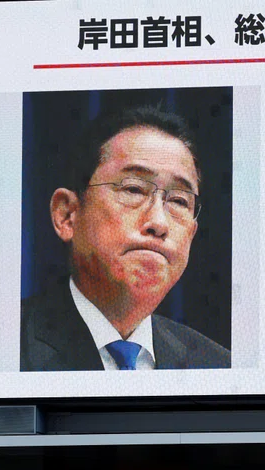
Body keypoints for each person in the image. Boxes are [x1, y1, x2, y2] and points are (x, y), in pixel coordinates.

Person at [20, 104, 231, 372]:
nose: (158, 222)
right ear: (67, 214)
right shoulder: (3, 349)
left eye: (178, 200)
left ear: (192, 232)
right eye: (133, 189)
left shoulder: (217, 365)